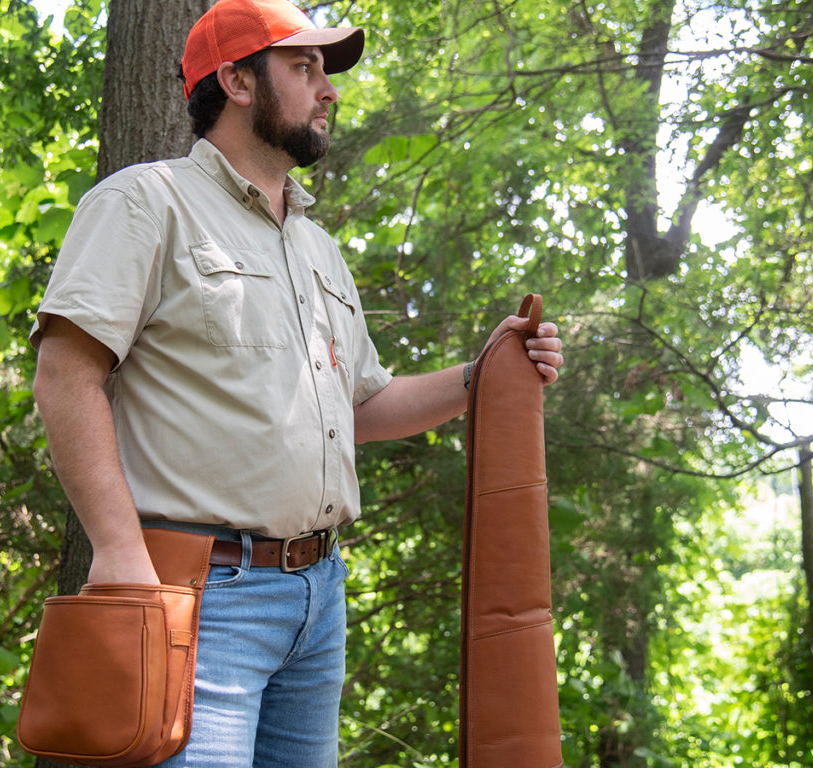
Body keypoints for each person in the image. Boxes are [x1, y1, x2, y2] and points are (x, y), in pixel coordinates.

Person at [30, 0, 565, 765]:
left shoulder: (318, 249)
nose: (329, 89)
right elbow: (65, 377)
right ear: (238, 80)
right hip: (198, 599)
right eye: (304, 66)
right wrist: (118, 554)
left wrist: (489, 374)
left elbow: (364, 407)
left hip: (318, 599)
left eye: (325, 70)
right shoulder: (143, 204)